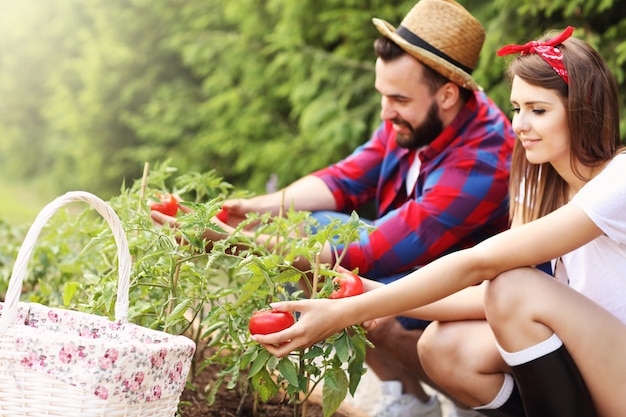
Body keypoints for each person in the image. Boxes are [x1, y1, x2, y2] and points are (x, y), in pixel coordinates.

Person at [153, 1, 514, 415]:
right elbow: (344, 178)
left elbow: (372, 250)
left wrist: (237, 242)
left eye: (397, 99)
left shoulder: (484, 160)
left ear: (447, 94)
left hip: (469, 303)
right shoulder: (421, 117)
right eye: (383, 96)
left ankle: (466, 403)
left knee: (350, 280)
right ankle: (408, 399)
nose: (385, 112)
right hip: (426, 274)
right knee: (317, 230)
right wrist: (251, 209)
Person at [251, 26, 626, 417]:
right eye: (517, 108)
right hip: (587, 357)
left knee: (514, 284)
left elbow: (480, 265)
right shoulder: (538, 185)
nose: (520, 125)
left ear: (583, 107)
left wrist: (346, 313)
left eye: (539, 110)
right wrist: (366, 289)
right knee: (442, 347)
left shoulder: (618, 181)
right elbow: (489, 296)